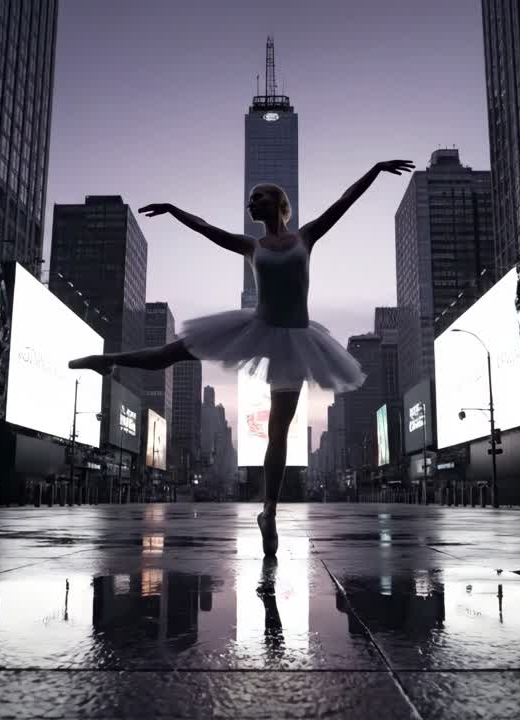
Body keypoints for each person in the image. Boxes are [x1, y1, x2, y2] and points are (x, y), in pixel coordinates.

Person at [69, 159, 415, 555]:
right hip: (256, 325)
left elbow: (345, 200)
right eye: (251, 199)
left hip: (296, 339)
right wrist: (174, 210)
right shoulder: (252, 246)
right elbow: (207, 230)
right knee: (170, 354)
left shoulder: (307, 236)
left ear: (280, 203)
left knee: (278, 432)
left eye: (260, 196)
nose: (253, 202)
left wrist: (374, 168)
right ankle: (107, 359)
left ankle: (268, 512)